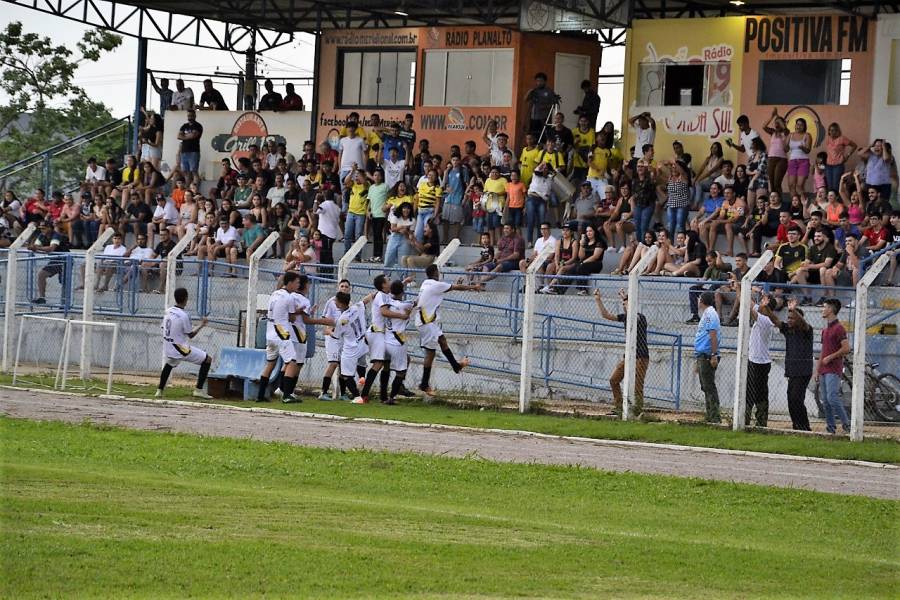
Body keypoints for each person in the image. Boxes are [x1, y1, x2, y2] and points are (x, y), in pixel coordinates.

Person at [415, 264, 482, 397]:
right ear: (435, 273)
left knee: (442, 340)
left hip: (427, 321)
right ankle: (424, 384)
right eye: (438, 272)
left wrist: (455, 285)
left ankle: (456, 366)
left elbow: (446, 289)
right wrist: (473, 287)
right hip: (426, 322)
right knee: (430, 353)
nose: (439, 273)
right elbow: (456, 287)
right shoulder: (435, 284)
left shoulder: (426, 283)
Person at [358, 275, 415, 404]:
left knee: (386, 364)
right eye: (388, 280)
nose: (390, 281)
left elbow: (395, 290)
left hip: (381, 334)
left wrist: (404, 282)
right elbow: (384, 312)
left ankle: (383, 397)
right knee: (378, 364)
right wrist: (401, 316)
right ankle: (364, 395)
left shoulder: (385, 294)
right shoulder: (382, 296)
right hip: (376, 333)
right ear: (383, 285)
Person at [595, 288, 648, 418]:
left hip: (640, 356)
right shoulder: (625, 317)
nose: (624, 306)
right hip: (628, 357)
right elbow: (606, 315)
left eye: (627, 304)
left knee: (637, 385)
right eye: (623, 304)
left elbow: (633, 316)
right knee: (614, 380)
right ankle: (619, 407)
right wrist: (598, 300)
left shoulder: (640, 317)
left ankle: (637, 410)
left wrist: (626, 300)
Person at [760, 297, 812, 431]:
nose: (789, 320)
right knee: (791, 399)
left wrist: (793, 310)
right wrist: (766, 308)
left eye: (792, 318)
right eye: (788, 317)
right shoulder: (788, 330)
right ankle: (796, 425)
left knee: (796, 399)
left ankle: (804, 427)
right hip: (792, 371)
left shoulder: (807, 331)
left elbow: (803, 323)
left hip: (803, 371)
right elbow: (775, 320)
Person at [156, 287, 213, 399]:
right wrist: (202, 325)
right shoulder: (184, 315)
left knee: (170, 363)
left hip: (168, 346)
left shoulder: (168, 311)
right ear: (186, 298)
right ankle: (198, 390)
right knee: (208, 360)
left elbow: (164, 328)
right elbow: (191, 335)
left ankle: (159, 390)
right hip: (180, 348)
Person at [333, 289, 376, 403]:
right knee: (360, 363)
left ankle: (357, 397)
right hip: (362, 343)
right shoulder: (356, 307)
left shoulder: (342, 319)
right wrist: (374, 294)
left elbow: (336, 335)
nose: (335, 302)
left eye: (336, 301)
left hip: (351, 348)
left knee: (345, 374)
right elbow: (365, 300)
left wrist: (328, 330)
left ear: (341, 303)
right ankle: (362, 377)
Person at [816, 298, 851, 434]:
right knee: (825, 400)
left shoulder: (839, 328)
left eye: (824, 307)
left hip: (833, 368)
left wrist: (830, 357)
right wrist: (817, 370)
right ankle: (830, 427)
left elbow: (846, 348)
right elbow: (823, 351)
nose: (822, 309)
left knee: (832, 397)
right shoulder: (825, 330)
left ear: (830, 309)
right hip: (824, 369)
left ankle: (847, 424)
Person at [744, 293, 775, 427]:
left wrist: (743, 293)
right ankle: (745, 419)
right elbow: (749, 303)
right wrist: (739, 288)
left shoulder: (766, 320)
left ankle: (761, 421)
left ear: (767, 305)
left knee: (760, 393)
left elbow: (749, 307)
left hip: (760, 363)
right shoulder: (762, 315)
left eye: (764, 300)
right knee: (749, 391)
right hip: (754, 360)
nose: (761, 301)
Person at [319, 279, 352, 400]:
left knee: (343, 364)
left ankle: (343, 393)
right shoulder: (332, 302)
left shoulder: (350, 304)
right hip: (332, 337)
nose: (344, 288)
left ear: (350, 289)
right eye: (342, 286)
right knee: (333, 363)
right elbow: (325, 320)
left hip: (343, 337)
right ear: (338, 287)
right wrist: (329, 331)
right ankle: (323, 392)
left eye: (346, 286)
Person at [29, 221, 71, 304]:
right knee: (41, 275)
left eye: (44, 228)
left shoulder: (56, 235)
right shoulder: (42, 235)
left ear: (49, 228)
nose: (42, 230)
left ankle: (65, 304)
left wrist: (36, 248)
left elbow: (51, 248)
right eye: (41, 228)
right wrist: (33, 247)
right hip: (55, 260)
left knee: (64, 281)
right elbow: (36, 246)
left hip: (65, 260)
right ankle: (42, 298)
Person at [695, 291, 721, 423]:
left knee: (709, 386)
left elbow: (713, 335)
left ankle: (715, 416)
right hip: (702, 355)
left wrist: (713, 355)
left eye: (699, 298)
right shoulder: (706, 314)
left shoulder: (710, 314)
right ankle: (710, 414)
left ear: (702, 301)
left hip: (708, 355)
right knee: (705, 386)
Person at [524, 72, 558, 140]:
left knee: (544, 137)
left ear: (545, 81)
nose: (539, 83)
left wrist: (545, 107)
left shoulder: (549, 91)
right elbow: (525, 99)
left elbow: (554, 104)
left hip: (544, 118)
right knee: (533, 137)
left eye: (541, 81)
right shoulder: (534, 91)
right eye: (537, 81)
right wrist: (529, 92)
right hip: (533, 118)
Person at [177, 109, 203, 184]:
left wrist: (184, 136)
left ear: (195, 116)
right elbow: (178, 136)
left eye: (191, 115)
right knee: (186, 172)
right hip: (184, 151)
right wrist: (187, 136)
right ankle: (188, 188)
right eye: (188, 115)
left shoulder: (198, 125)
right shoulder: (184, 126)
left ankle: (195, 189)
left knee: (194, 171)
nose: (190, 117)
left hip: (194, 151)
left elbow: (193, 135)